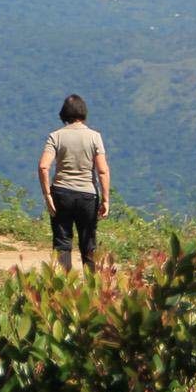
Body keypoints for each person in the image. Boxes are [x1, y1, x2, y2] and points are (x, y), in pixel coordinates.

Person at [37, 94, 111, 271]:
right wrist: (106, 199)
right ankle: (93, 290)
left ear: (63, 114)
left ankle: (64, 290)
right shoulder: (94, 137)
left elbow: (43, 166)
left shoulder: (55, 136)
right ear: (84, 112)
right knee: (89, 245)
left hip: (61, 194)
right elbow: (102, 170)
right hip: (87, 195)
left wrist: (47, 195)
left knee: (62, 243)